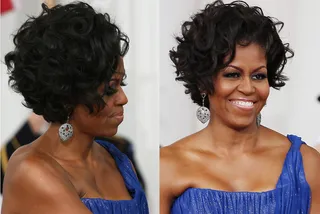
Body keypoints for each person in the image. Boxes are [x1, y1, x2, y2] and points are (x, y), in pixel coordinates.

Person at [160, 1, 320, 213]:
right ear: (202, 82)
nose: (248, 87)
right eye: (232, 74)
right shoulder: (167, 165)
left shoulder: (306, 164)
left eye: (258, 76)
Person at [1, 2, 149, 214]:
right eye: (110, 88)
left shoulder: (119, 160)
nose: (123, 99)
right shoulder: (31, 170)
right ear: (67, 95)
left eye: (121, 84)